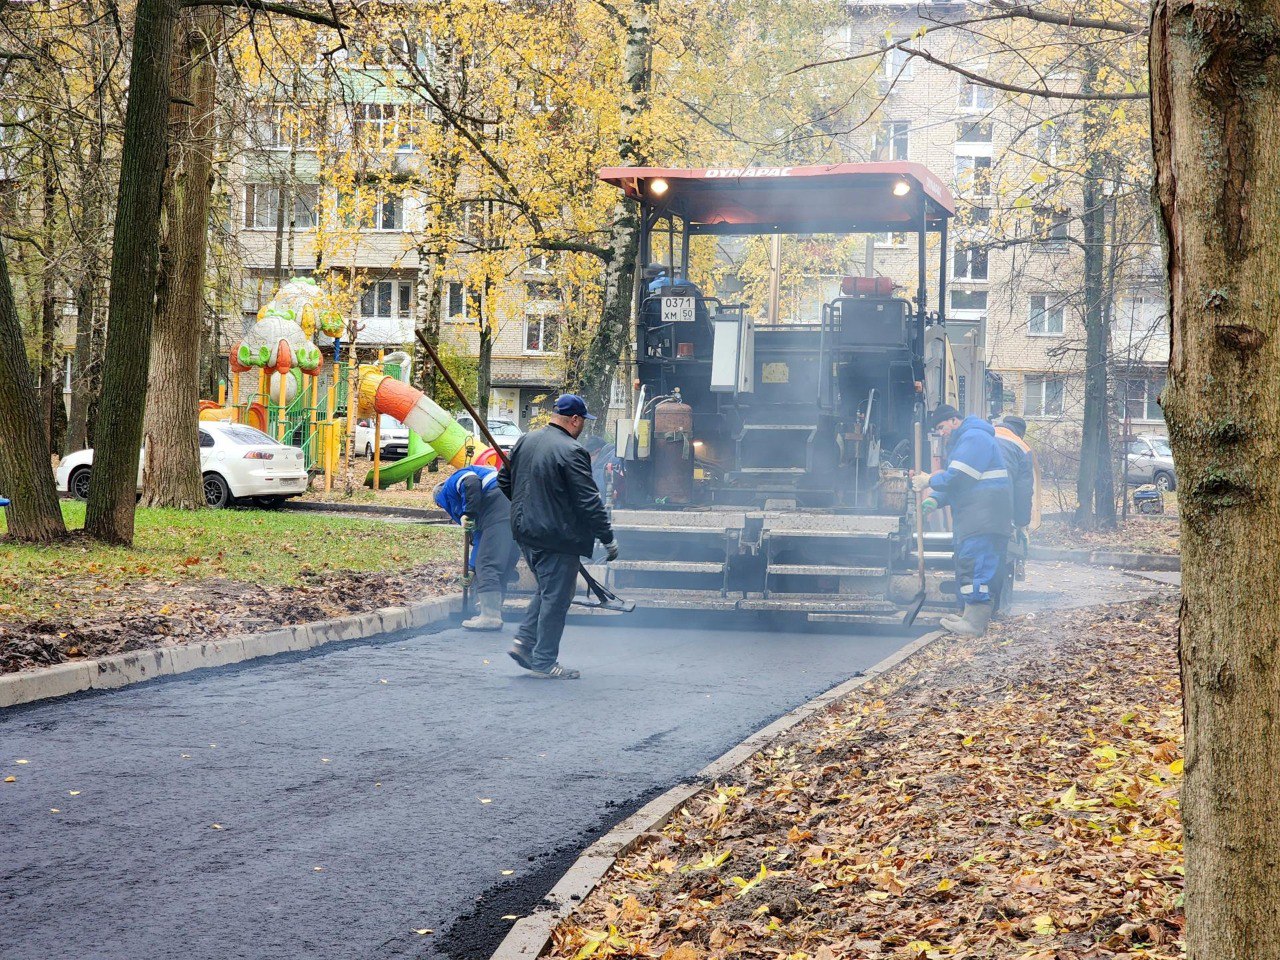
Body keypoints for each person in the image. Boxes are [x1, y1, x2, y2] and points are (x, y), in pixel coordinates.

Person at [498, 394, 618, 679]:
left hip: (525, 532)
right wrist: (608, 538)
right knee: (558, 597)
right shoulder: (572, 450)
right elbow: (589, 501)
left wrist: (526, 508)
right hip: (556, 535)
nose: (583, 428)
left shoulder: (526, 440)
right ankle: (544, 661)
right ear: (574, 420)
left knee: (547, 590)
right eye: (583, 422)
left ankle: (524, 643)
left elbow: (505, 480)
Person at [911, 404, 1013, 637]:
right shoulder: (968, 439)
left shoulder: (974, 437)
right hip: (978, 516)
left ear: (954, 421)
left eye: (942, 426)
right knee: (970, 564)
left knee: (976, 566)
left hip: (982, 518)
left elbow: (960, 477)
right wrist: (934, 500)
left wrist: (929, 481)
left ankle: (974, 624)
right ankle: (969, 616)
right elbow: (962, 484)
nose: (941, 432)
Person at [434, 465, 521, 631]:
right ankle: (492, 612)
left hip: (499, 500)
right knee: (501, 562)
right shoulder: (480, 502)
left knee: (488, 564)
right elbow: (482, 539)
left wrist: (469, 513)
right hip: (515, 503)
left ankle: (490, 616)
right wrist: (472, 568)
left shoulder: (451, 483)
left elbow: (471, 481)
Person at [993, 414, 1038, 601]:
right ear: (1021, 433)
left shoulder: (983, 435)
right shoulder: (1022, 447)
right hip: (1000, 506)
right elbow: (1023, 491)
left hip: (971, 506)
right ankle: (997, 603)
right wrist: (1021, 523)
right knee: (999, 554)